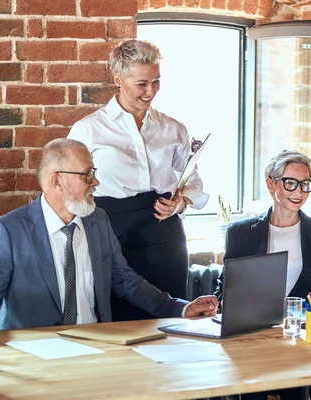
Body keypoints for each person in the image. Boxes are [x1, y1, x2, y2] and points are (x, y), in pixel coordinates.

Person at [0, 139, 217, 333]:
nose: (95, 181)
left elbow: (126, 281)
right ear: (57, 181)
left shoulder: (98, 221)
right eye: (87, 174)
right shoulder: (9, 230)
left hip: (98, 347)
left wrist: (181, 308)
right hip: (35, 357)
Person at [68, 40, 209, 321]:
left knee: (170, 322)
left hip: (165, 236)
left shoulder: (174, 128)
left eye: (156, 82)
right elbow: (71, 191)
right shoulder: (88, 130)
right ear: (117, 78)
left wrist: (181, 203)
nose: (150, 92)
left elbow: (194, 181)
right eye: (142, 84)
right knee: (115, 320)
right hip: (111, 234)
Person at [214, 150, 311, 400]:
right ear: (270, 184)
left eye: (305, 184)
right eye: (290, 183)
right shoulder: (241, 233)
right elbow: (224, 289)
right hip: (253, 336)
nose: (299, 192)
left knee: (297, 383)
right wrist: (223, 301)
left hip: (301, 337)